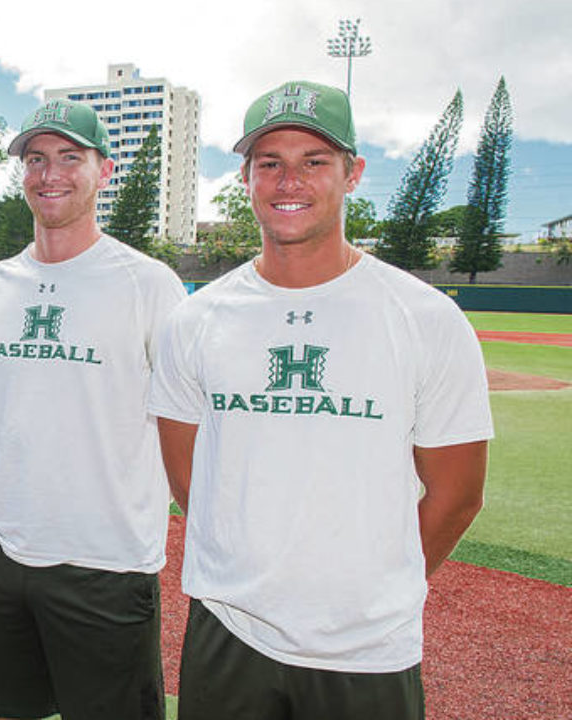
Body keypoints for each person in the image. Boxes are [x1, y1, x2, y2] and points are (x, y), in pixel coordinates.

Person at [148, 80, 494, 720]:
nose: (289, 181)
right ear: (246, 176)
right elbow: (189, 475)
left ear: (353, 173)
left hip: (368, 647)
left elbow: (457, 493)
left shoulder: (424, 317)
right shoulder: (195, 320)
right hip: (230, 628)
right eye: (270, 163)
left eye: (314, 162)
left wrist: (369, 590)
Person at [0, 98, 186, 720]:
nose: (49, 173)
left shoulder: (149, 284)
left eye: (70, 157)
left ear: (105, 171)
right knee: (13, 711)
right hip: (7, 547)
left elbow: (185, 417)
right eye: (35, 159)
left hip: (107, 561)